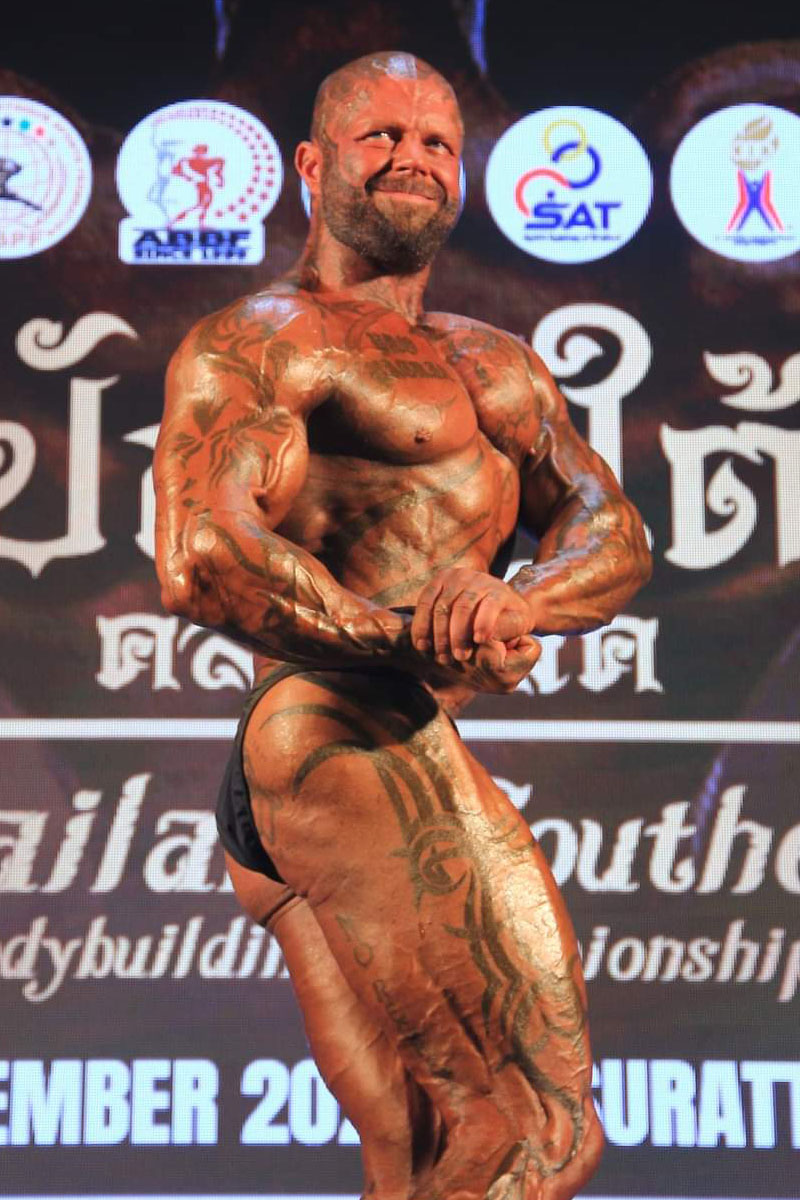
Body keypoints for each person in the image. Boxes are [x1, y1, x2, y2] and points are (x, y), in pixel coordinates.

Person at [154, 50, 651, 1200]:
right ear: (311, 164)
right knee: (535, 1130)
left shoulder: (497, 365)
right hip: (330, 729)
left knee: (426, 1156)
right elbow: (202, 554)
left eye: (434, 142)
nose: (410, 158)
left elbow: (612, 530)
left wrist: (516, 602)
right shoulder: (264, 337)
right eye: (379, 135)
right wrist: (409, 639)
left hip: (365, 760)